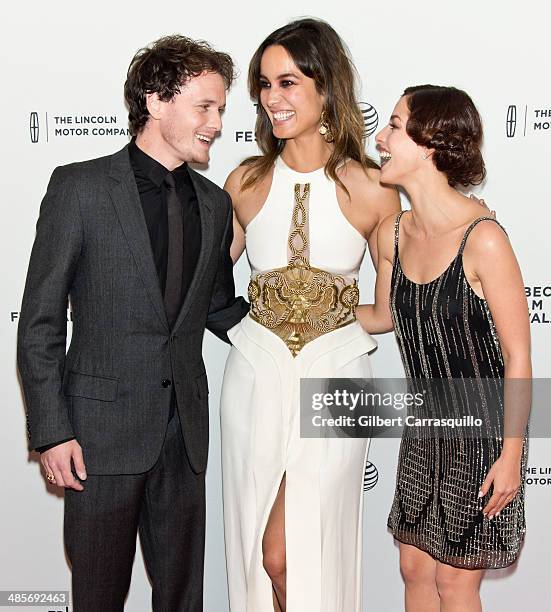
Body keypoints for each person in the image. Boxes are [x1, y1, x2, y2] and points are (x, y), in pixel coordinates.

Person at [17, 35, 248, 612]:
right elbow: (41, 322)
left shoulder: (216, 205)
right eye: (205, 107)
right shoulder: (81, 188)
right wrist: (51, 430)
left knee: (182, 601)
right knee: (97, 597)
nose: (217, 123)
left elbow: (220, 305)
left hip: (183, 436)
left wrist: (308, 332)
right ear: (156, 101)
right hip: (97, 437)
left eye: (221, 109)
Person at [220, 18, 400, 612]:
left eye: (288, 82)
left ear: (326, 87)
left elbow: (393, 307)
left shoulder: (373, 188)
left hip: (339, 380)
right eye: (265, 85)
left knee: (293, 552)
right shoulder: (244, 182)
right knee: (258, 553)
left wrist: (340, 322)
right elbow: (200, 283)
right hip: (255, 375)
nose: (273, 98)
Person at [358, 85, 529, 611]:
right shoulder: (393, 233)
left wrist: (513, 454)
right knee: (413, 568)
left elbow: (519, 357)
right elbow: (382, 316)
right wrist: (298, 308)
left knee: (456, 582)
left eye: (392, 125)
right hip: (424, 427)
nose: (380, 139)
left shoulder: (484, 238)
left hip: (482, 434)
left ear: (429, 142)